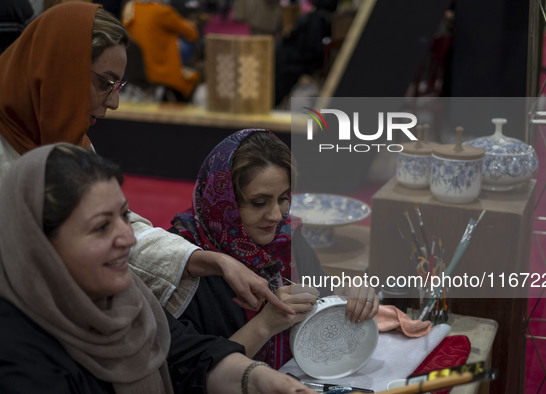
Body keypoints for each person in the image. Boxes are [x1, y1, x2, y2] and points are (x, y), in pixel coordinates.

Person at [0, 2, 291, 321]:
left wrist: (212, 260)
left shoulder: (72, 144)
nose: (114, 102)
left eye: (119, 86)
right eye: (104, 83)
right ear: (59, 70)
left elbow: (120, 230)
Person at [0, 143, 315, 394]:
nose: (127, 237)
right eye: (100, 227)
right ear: (40, 243)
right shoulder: (16, 354)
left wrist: (256, 378)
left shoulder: (127, 298)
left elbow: (187, 356)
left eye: (124, 216)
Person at [162, 129, 379, 369]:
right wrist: (265, 324)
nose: (277, 215)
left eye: (283, 198)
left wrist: (347, 294)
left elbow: (321, 295)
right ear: (223, 201)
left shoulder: (285, 238)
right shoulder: (182, 260)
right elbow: (188, 376)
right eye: (259, 202)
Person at [122, 0, 200, 101]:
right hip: (156, 71)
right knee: (193, 77)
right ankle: (175, 112)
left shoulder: (131, 9)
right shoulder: (163, 12)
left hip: (131, 70)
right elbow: (192, 34)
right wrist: (191, 24)